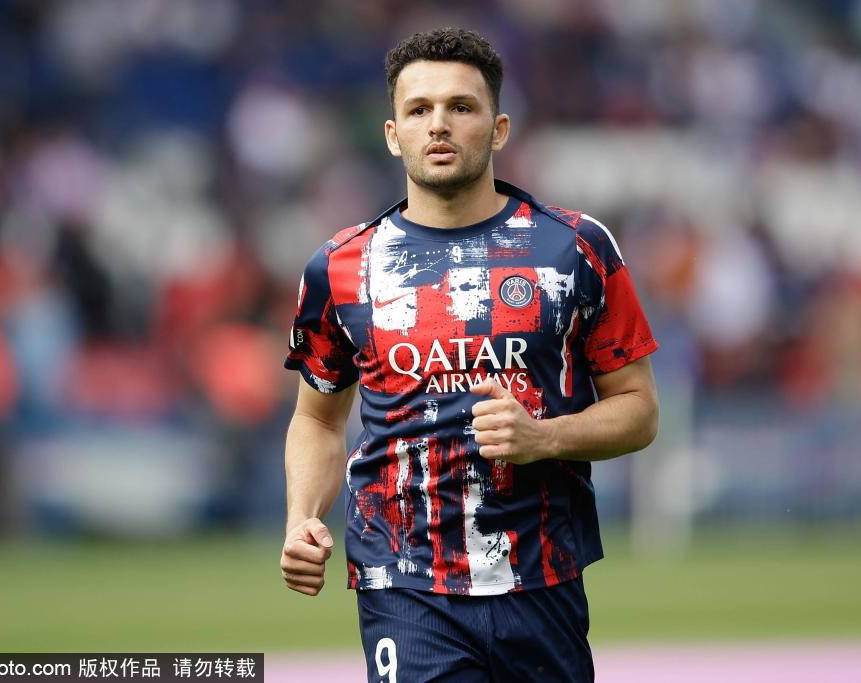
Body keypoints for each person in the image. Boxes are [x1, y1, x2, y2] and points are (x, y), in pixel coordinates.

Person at [280, 27, 659, 682]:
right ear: (393, 134)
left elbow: (641, 411)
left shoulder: (576, 249)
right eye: (419, 109)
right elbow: (316, 418)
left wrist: (544, 436)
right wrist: (301, 518)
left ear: (499, 128)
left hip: (542, 577)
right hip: (403, 581)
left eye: (461, 106)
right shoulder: (341, 267)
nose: (439, 124)